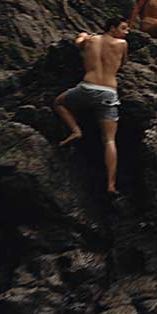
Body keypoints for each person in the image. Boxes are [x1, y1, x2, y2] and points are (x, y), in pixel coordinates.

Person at [54, 17, 130, 195]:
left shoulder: (91, 40)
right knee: (110, 140)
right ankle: (111, 184)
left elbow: (77, 43)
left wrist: (82, 36)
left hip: (87, 87)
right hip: (109, 92)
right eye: (124, 28)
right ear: (112, 28)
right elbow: (123, 63)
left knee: (59, 102)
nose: (127, 32)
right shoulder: (122, 44)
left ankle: (75, 130)